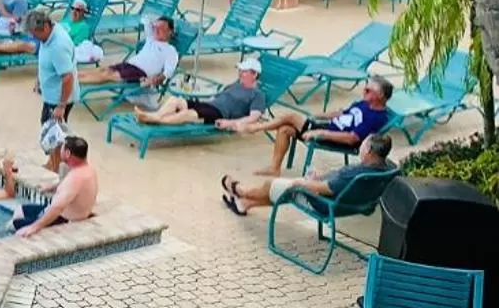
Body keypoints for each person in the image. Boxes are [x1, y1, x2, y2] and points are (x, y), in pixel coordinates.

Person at [223, 131, 397, 217]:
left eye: (363, 145)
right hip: (353, 205)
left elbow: (325, 188)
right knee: (284, 189)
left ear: (367, 152)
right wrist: (320, 177)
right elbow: (338, 183)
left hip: (325, 205)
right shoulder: (389, 167)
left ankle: (240, 191)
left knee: (275, 186)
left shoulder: (355, 174)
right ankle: (245, 204)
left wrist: (302, 182)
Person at [259, 77, 394, 175]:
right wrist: (317, 116)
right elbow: (341, 113)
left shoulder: (377, 117)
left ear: (380, 95)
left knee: (290, 117)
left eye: (368, 90)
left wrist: (319, 133)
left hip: (335, 138)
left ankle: (256, 128)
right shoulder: (365, 103)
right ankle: (274, 168)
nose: (364, 91)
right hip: (328, 128)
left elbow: (352, 138)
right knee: (284, 129)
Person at [132, 58, 271, 132]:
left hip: (220, 113)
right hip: (210, 104)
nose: (240, 73)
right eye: (240, 70)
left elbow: (253, 118)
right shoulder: (236, 84)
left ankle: (155, 119)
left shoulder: (257, 95)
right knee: (175, 100)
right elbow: (219, 95)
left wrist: (230, 123)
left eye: (244, 71)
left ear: (254, 75)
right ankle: (154, 116)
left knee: (189, 113)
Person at [28, 8, 78, 171]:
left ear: (45, 28)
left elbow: (67, 77)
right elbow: (46, 61)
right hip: (52, 96)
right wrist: (39, 80)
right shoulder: (48, 36)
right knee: (49, 128)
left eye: (35, 34)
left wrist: (61, 105)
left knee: (54, 135)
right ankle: (53, 163)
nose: (33, 38)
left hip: (59, 99)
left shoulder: (58, 46)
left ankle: (56, 169)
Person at [76, 15, 180, 92]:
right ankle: (71, 76)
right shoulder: (151, 39)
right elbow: (145, 20)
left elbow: (168, 72)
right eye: (155, 27)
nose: (156, 30)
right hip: (129, 64)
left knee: (107, 75)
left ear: (170, 31)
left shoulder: (170, 50)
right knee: (103, 69)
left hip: (140, 72)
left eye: (161, 28)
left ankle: (72, 82)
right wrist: (155, 22)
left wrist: (155, 80)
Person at [22, 136, 99, 234]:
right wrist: (51, 187)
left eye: (62, 148)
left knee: (15, 223)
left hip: (62, 220)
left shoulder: (75, 178)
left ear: (67, 153)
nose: (59, 150)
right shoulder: (89, 170)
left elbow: (57, 208)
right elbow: (70, 187)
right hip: (62, 213)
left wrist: (34, 227)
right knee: (20, 211)